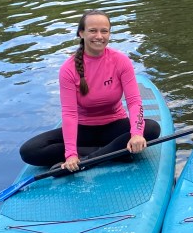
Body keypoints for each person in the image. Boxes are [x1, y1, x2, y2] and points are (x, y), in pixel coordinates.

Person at [20, 10, 161, 171]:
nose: (99, 36)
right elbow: (69, 114)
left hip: (114, 126)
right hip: (84, 130)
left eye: (104, 31)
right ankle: (116, 152)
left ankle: (88, 160)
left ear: (109, 33)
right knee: (30, 150)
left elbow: (134, 102)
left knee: (151, 128)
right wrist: (71, 154)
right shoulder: (68, 69)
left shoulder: (121, 61)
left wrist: (136, 133)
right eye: (93, 30)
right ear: (81, 33)